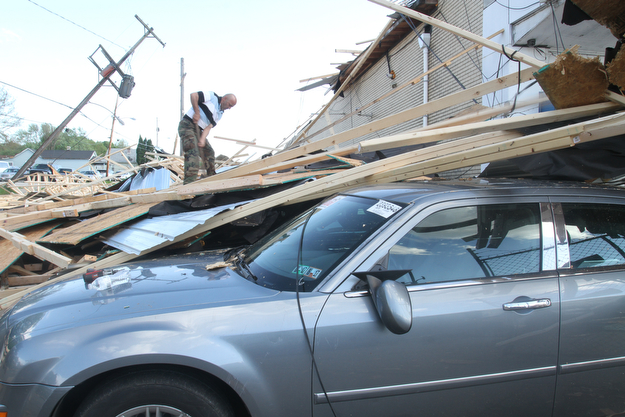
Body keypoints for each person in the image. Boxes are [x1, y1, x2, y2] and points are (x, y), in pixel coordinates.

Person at [178, 91, 237, 184]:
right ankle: (189, 183)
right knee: (193, 150)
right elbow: (193, 95)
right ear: (224, 99)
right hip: (187, 125)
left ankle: (211, 178)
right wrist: (196, 111)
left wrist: (202, 139)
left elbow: (208, 127)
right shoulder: (212, 97)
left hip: (199, 131)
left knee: (209, 152)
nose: (229, 108)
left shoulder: (219, 114)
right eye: (229, 105)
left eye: (231, 107)